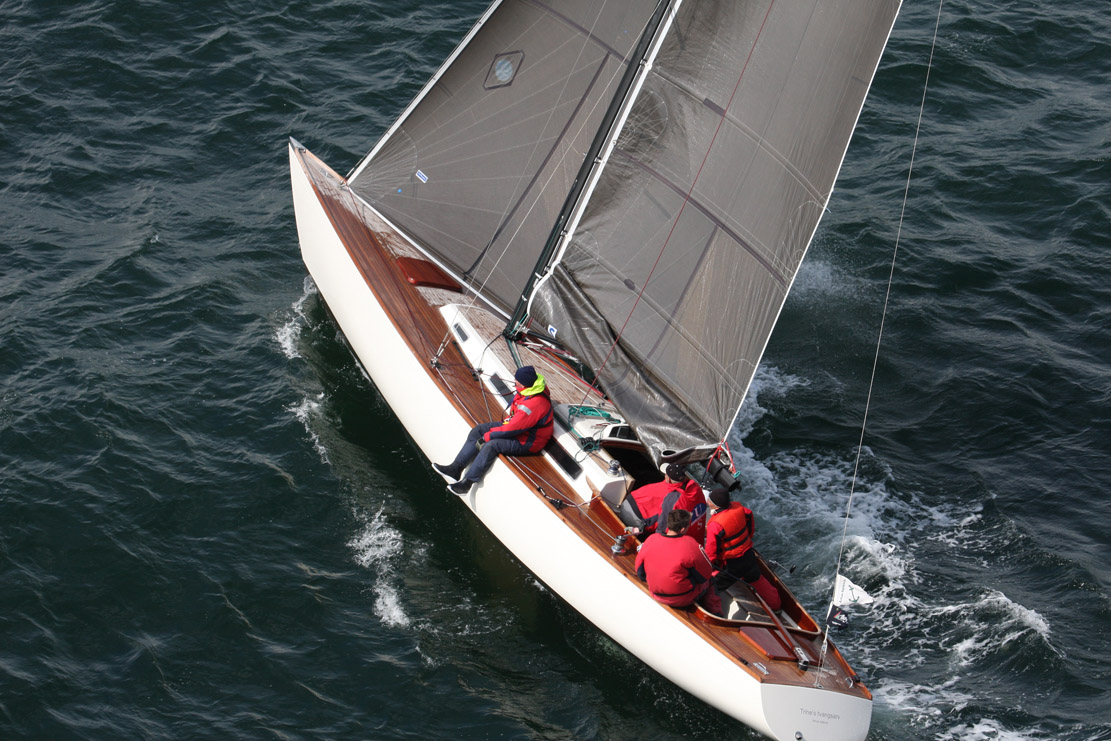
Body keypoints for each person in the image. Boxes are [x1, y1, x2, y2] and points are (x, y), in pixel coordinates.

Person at [434, 365, 553, 495]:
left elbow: (512, 429)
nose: (515, 381)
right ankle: (455, 469)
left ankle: (466, 484)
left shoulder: (534, 404)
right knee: (478, 430)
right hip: (516, 427)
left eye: (517, 380)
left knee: (491, 445)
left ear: (524, 384)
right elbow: (513, 424)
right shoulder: (530, 389)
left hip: (529, 441)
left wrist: (487, 437)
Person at [704, 485, 781, 611]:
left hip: (731, 564)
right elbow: (749, 518)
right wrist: (747, 538)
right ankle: (776, 607)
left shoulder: (715, 524)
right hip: (748, 555)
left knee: (712, 587)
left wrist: (707, 566)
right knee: (759, 581)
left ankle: (714, 612)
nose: (707, 501)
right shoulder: (739, 507)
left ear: (716, 505)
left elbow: (711, 551)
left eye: (710, 500)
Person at [635, 509, 722, 615]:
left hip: (655, 592)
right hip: (681, 599)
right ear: (682, 529)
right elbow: (705, 575)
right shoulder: (691, 545)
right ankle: (716, 614)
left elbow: (640, 571)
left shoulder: (651, 539)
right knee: (710, 580)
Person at [620, 463, 707, 543]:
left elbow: (663, 526)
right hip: (634, 506)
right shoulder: (696, 489)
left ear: (668, 479)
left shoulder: (672, 499)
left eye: (666, 474)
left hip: (635, 515)